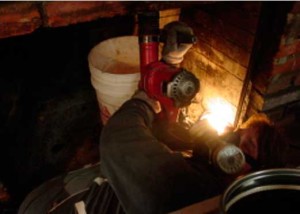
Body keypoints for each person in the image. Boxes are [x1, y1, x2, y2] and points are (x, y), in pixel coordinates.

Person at [18, 21, 288, 214]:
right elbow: (161, 141)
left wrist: (141, 103)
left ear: (251, 180)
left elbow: (118, 141)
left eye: (246, 147)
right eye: (240, 132)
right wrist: (169, 66)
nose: (234, 138)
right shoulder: (203, 172)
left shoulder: (196, 190)